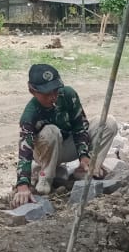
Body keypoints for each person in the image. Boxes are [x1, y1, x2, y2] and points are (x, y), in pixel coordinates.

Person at [12, 63, 118, 207]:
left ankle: (88, 169)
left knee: (108, 122)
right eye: (46, 94)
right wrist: (22, 185)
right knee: (51, 131)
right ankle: (46, 177)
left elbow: (80, 126)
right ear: (32, 90)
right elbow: (25, 152)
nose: (53, 97)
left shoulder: (68, 94)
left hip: (68, 145)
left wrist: (84, 155)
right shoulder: (29, 115)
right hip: (45, 152)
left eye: (55, 91)